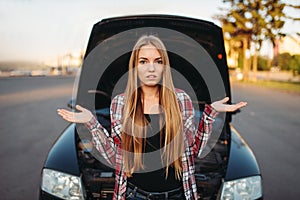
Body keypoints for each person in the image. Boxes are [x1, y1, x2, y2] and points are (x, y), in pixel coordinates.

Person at [57, 35, 247, 200]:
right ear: (135, 66)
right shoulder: (120, 104)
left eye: (158, 61)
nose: (151, 68)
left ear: (165, 67)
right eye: (143, 61)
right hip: (134, 194)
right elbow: (117, 158)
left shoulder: (181, 100)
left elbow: (194, 151)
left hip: (178, 194)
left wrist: (210, 113)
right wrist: (92, 122)